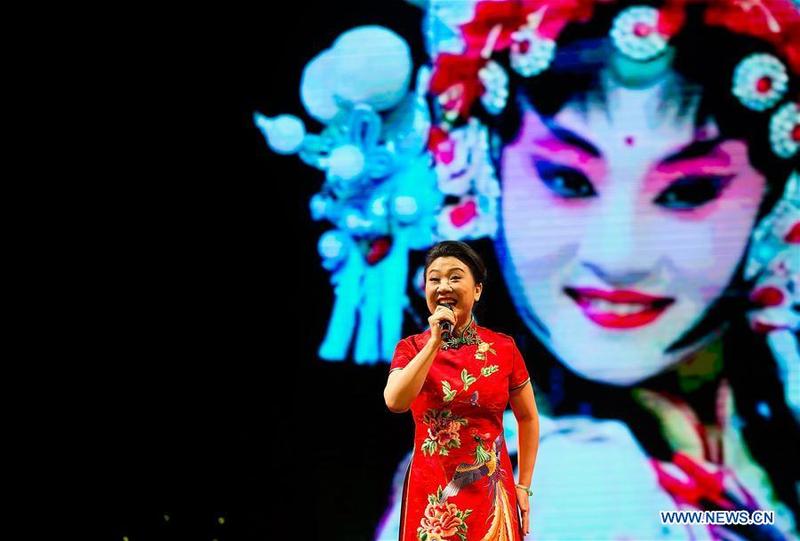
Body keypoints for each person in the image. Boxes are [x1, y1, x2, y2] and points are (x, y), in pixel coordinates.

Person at [258, 1, 799, 538]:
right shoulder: (562, 487)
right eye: (568, 181)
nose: (617, 257)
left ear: (776, 201)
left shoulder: (744, 421)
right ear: (483, 172)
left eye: (689, 191)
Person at [383, 240, 540, 540]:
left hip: (491, 494)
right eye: (434, 279)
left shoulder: (503, 348)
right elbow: (395, 401)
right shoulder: (411, 348)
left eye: (455, 277)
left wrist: (524, 485)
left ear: (477, 290)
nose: (443, 286)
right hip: (432, 496)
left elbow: (528, 417)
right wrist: (434, 343)